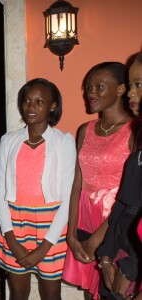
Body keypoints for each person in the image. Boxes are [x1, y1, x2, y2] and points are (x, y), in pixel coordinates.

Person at [0, 78, 76, 300]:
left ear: (52, 106)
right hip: (15, 225)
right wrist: (10, 239)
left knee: (51, 295)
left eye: (39, 101)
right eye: (27, 101)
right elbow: (0, 192)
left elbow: (69, 198)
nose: (31, 107)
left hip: (52, 227)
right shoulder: (8, 140)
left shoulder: (64, 141)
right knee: (18, 294)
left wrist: (44, 247)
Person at [62, 62, 133, 300]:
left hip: (116, 223)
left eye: (99, 87)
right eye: (88, 87)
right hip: (85, 216)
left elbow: (131, 194)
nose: (90, 93)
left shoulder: (134, 131)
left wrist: (99, 238)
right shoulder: (86, 129)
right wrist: (71, 233)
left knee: (116, 291)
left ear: (121, 89)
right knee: (93, 292)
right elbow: (76, 184)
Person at [97, 53, 142, 300]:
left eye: (138, 85)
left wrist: (130, 269)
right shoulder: (139, 136)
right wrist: (105, 257)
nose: (130, 93)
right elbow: (123, 205)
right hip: (118, 253)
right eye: (132, 85)